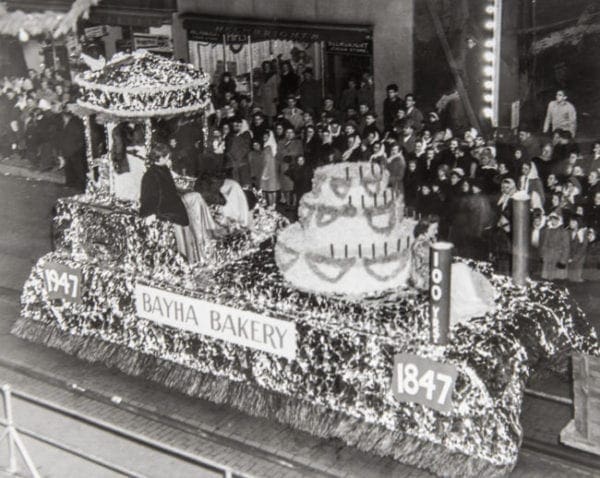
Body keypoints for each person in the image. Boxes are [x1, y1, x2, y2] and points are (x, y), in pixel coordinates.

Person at [409, 215, 495, 325]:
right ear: (425, 230)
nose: (436, 232)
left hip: (434, 270)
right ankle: (469, 303)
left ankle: (472, 298)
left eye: (437, 229)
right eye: (434, 229)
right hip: (426, 276)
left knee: (461, 269)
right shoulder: (421, 244)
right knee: (459, 271)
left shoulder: (428, 240)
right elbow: (430, 264)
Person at [58, 107, 87, 191]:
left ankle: (82, 185)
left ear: (66, 116)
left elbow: (79, 138)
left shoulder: (75, 124)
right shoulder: (66, 124)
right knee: (69, 168)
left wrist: (76, 149)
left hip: (75, 150)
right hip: (69, 150)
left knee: (79, 168)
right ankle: (70, 183)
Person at [539, 211, 570, 281]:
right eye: (552, 219)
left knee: (557, 279)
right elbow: (545, 243)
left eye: (555, 219)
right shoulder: (548, 230)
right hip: (548, 257)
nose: (553, 221)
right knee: (547, 279)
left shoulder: (564, 231)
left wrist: (563, 260)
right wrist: (542, 255)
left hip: (558, 257)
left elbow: (566, 247)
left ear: (559, 220)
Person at [261, 130, 280, 206]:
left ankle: (272, 205)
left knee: (269, 189)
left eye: (266, 137)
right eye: (263, 137)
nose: (264, 138)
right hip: (273, 170)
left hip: (269, 170)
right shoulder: (272, 146)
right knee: (272, 188)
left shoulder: (268, 147)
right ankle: (273, 204)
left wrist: (265, 173)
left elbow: (267, 161)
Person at [567, 216, 588, 283]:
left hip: (579, 260)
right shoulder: (569, 231)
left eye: (573, 222)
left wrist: (573, 259)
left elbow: (583, 248)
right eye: (570, 221)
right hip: (569, 259)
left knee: (576, 280)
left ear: (578, 223)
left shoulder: (583, 233)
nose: (570, 223)